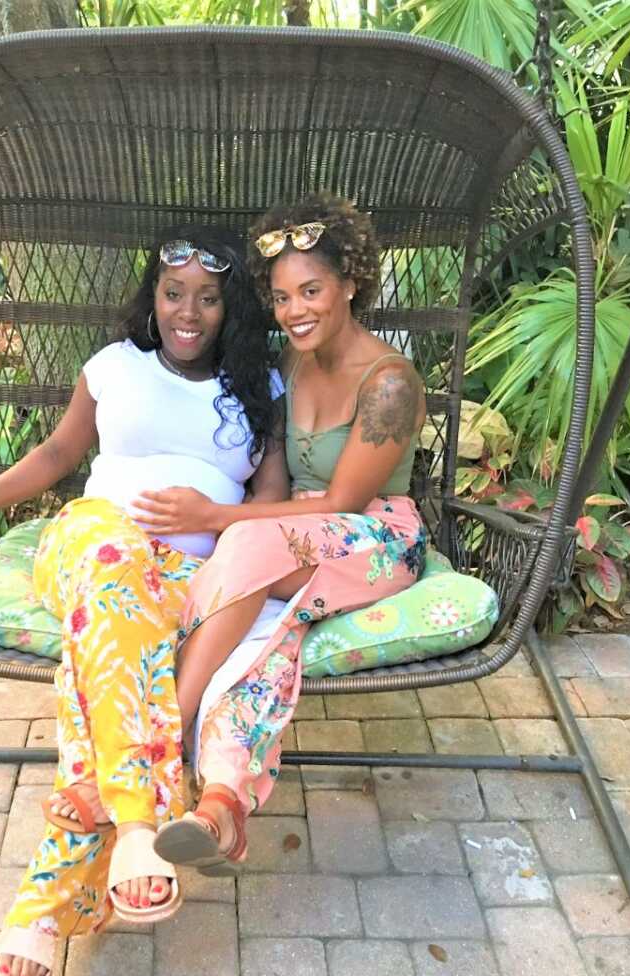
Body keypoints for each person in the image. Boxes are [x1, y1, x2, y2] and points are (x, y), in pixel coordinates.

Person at [0, 226, 285, 976]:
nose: (187, 311)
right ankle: (142, 826)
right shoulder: (115, 367)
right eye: (173, 293)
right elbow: (56, 457)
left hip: (187, 573)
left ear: (229, 307)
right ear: (153, 297)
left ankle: (44, 905)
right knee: (113, 573)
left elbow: (269, 507)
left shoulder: (261, 387)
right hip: (90, 543)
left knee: (115, 654)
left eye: (207, 298)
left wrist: (210, 513)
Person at [130, 193, 428, 876]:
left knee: (247, 547)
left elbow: (346, 503)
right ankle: (224, 805)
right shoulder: (293, 363)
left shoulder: (389, 384)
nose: (296, 311)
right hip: (293, 537)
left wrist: (212, 518)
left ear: (351, 284)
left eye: (313, 291)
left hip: (372, 536)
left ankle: (166, 728)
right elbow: (276, 481)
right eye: (284, 296)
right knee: (265, 636)